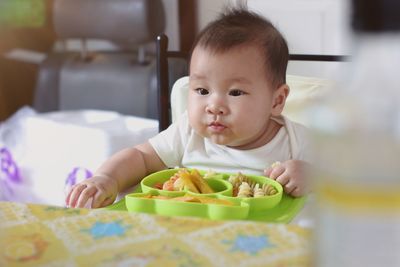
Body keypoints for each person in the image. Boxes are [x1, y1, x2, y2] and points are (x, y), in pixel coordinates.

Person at [66, 7, 311, 209]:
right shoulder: (187, 133)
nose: (214, 106)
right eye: (202, 91)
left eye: (235, 92)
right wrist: (107, 178)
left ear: (277, 101)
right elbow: (140, 157)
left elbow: (344, 184)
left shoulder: (296, 141)